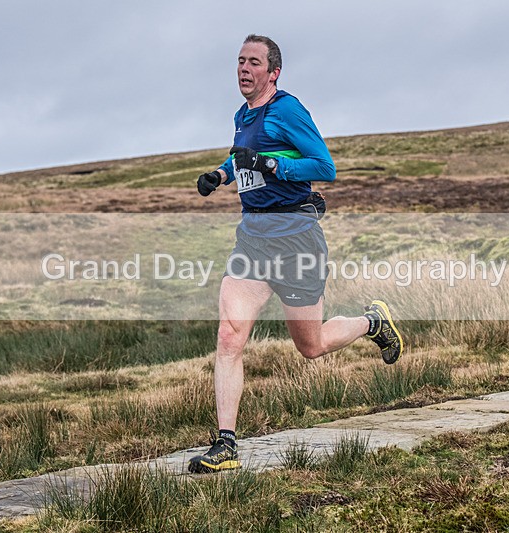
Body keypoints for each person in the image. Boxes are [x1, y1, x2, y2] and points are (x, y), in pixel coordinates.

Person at [188, 34, 403, 474]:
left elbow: (324, 166)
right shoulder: (242, 115)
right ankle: (226, 444)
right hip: (253, 240)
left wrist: (273, 167)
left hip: (297, 240)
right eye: (239, 62)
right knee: (230, 335)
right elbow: (244, 157)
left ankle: (373, 321)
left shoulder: (287, 109)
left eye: (253, 63)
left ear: (273, 72)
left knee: (311, 346)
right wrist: (221, 174)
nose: (244, 69)